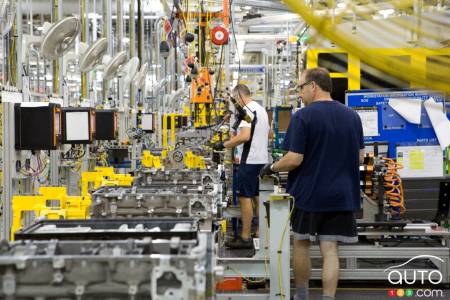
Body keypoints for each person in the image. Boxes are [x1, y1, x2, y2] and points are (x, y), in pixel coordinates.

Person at [260, 68, 365, 300]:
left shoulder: (303, 116)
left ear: (313, 86)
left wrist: (273, 167)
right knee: (330, 250)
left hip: (309, 195)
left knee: (302, 244)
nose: (300, 93)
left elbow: (294, 159)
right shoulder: (352, 116)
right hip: (341, 195)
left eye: (300, 87)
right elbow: (359, 157)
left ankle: (302, 295)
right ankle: (328, 297)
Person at [217, 83, 270, 249]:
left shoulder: (247, 110)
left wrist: (224, 144)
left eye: (235, 101)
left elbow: (245, 136)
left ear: (239, 97)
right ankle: (260, 232)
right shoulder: (260, 109)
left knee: (244, 197)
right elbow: (269, 134)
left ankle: (245, 237)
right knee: (256, 197)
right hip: (261, 159)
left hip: (250, 160)